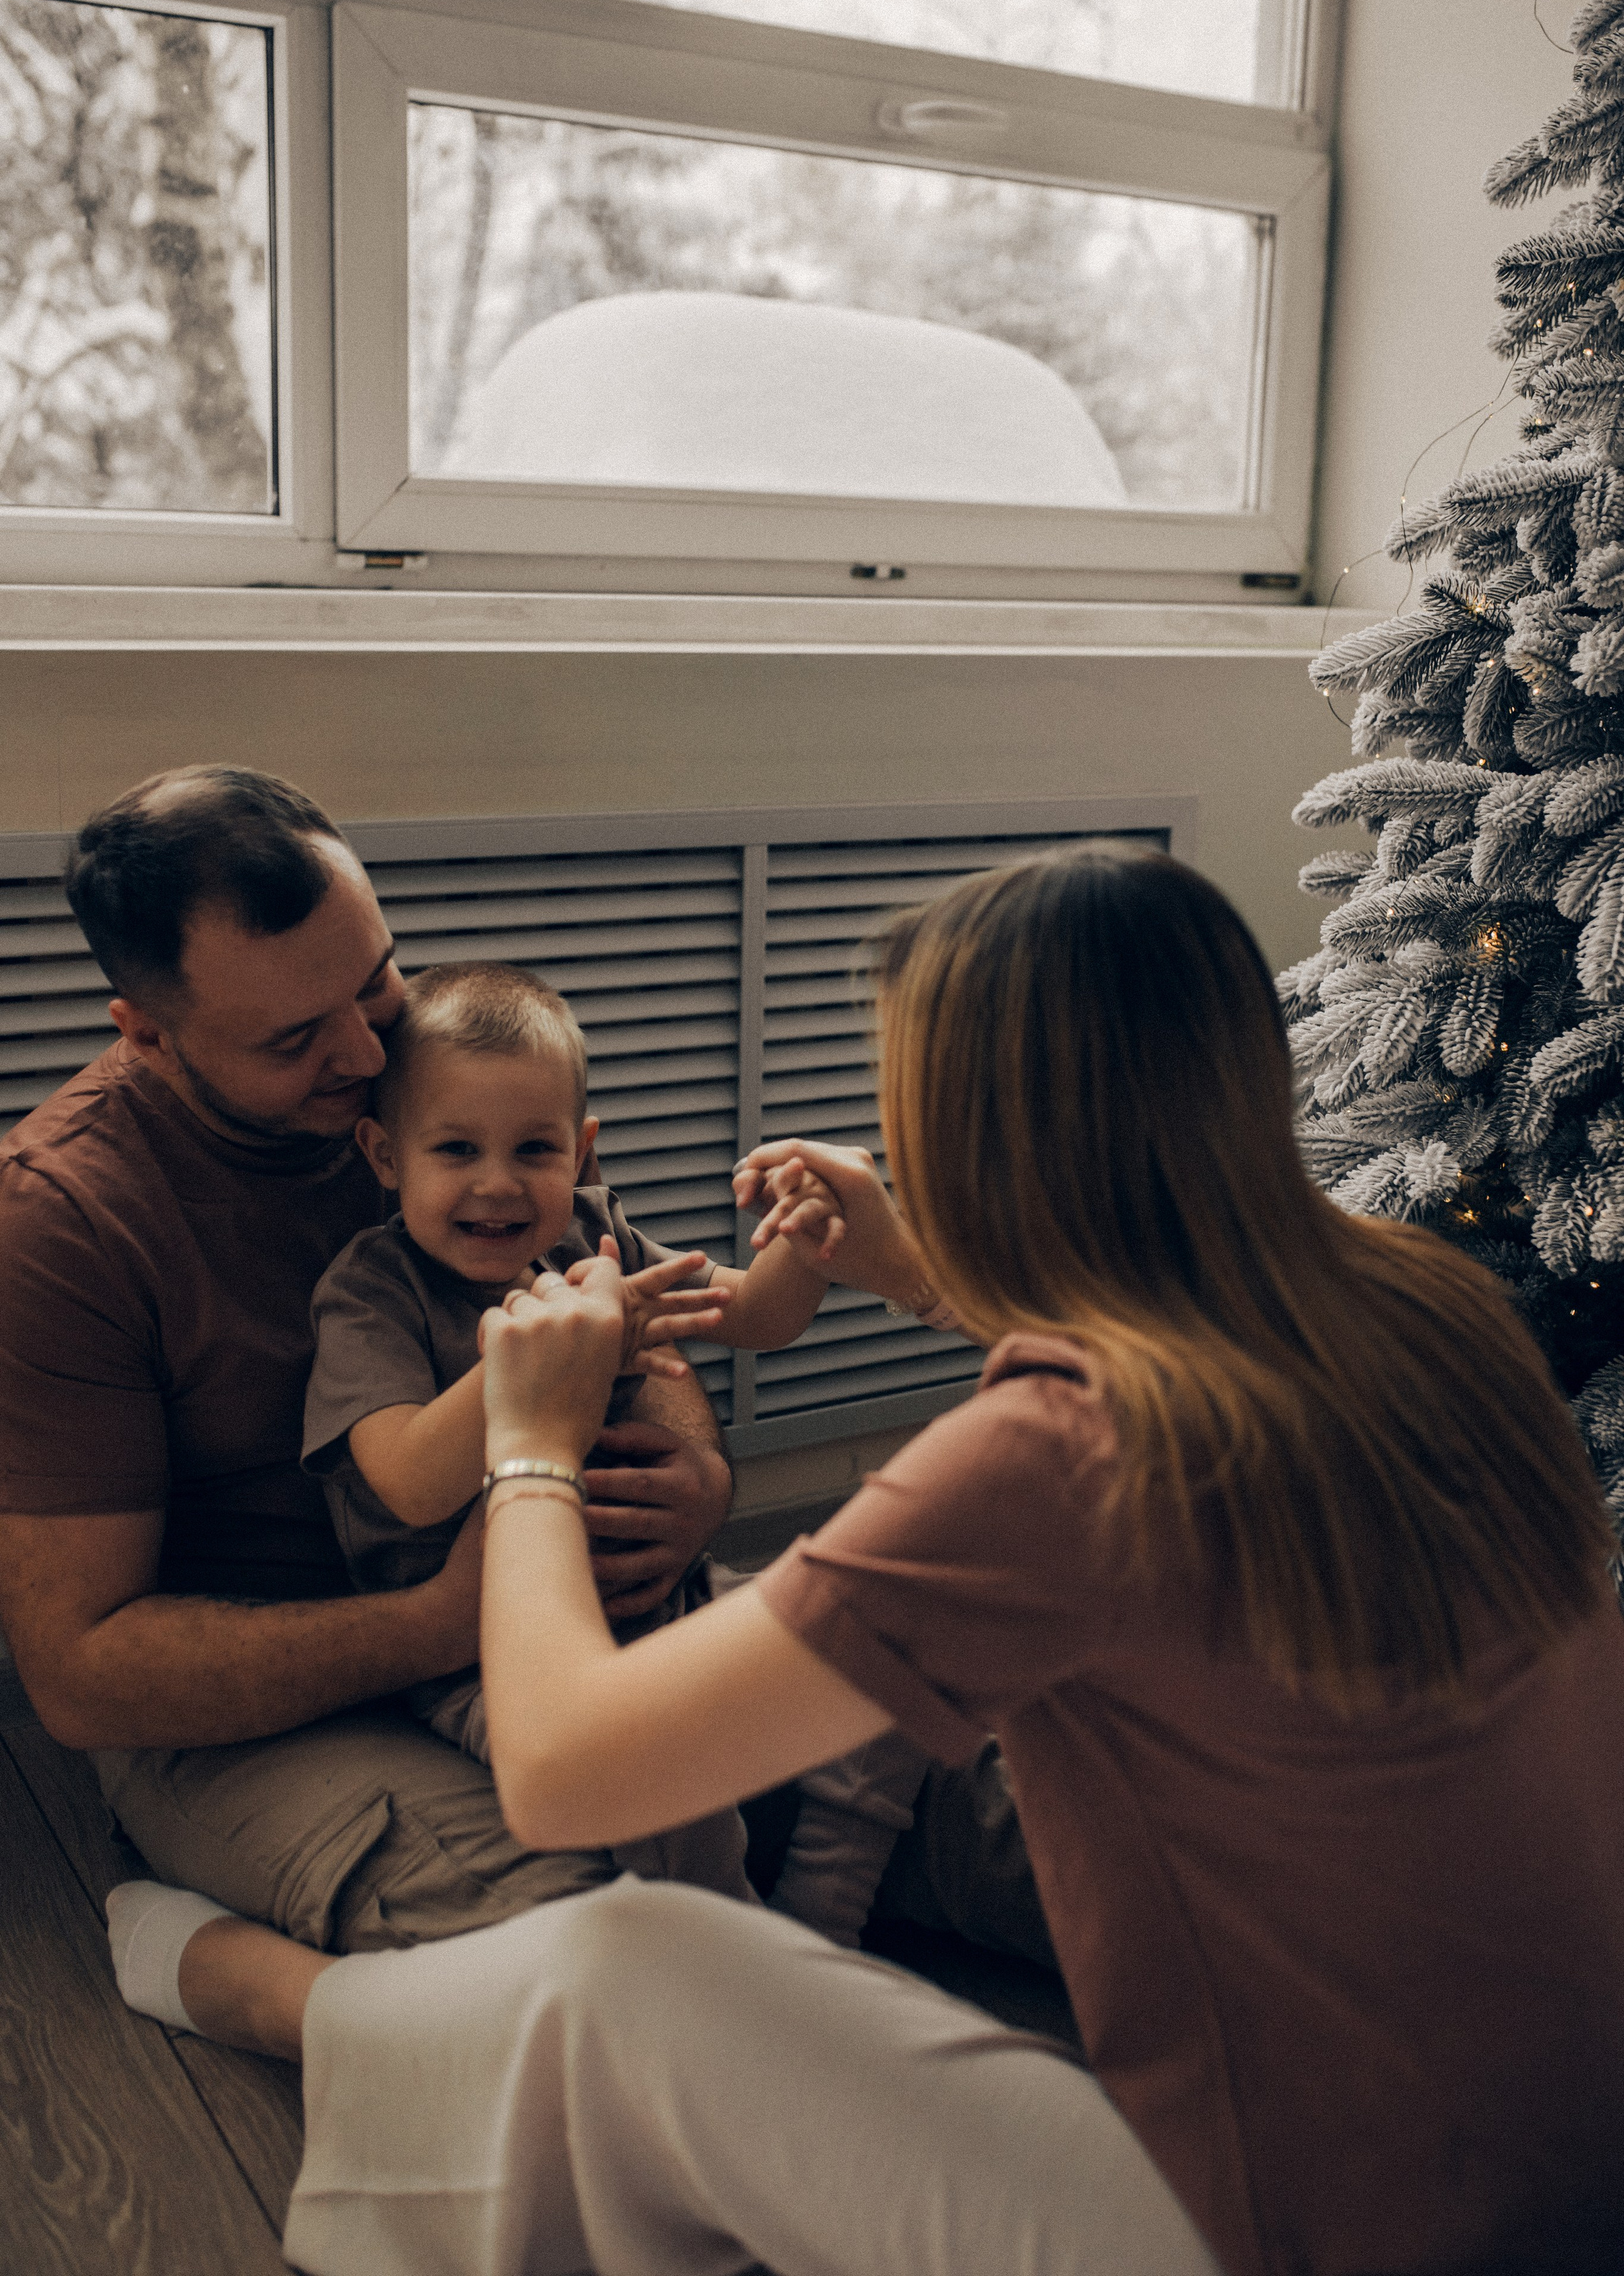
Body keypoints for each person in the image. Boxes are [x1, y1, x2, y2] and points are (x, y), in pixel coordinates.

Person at [109, 843, 1624, 2275]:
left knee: (636, 1958)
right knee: (789, 1655)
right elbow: (1176, 1373)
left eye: (910, 1131)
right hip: (1561, 2156)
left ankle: (307, 2007)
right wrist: (907, 1266)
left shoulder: (1055, 1453)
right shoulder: (1425, 1298)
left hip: (1310, 2233)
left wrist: (529, 1446)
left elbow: (564, 1777)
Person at [0, 767, 735, 1953]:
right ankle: (223, 1973)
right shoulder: (59, 1227)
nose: (359, 1053)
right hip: (273, 1712)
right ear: (147, 1034)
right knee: (609, 1941)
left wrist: (693, 1480)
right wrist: (445, 1622)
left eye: (375, 978)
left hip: (547, 1623)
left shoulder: (427, 1074)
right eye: (295, 1038)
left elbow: (605, 1296)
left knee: (962, 1750)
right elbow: (85, 1676)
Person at [300, 956, 931, 1933]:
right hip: (482, 1663)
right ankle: (737, 1960)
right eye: (457, 1150)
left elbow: (751, 1317)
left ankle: (821, 1919)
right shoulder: (373, 1290)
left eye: (536, 1151)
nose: (498, 1186)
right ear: (386, 1156)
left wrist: (805, 1247)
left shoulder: (593, 1238)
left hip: (659, 1597)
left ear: (583, 1154)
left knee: (879, 1651)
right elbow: (407, 1483)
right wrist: (539, 1366)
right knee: (670, 1795)